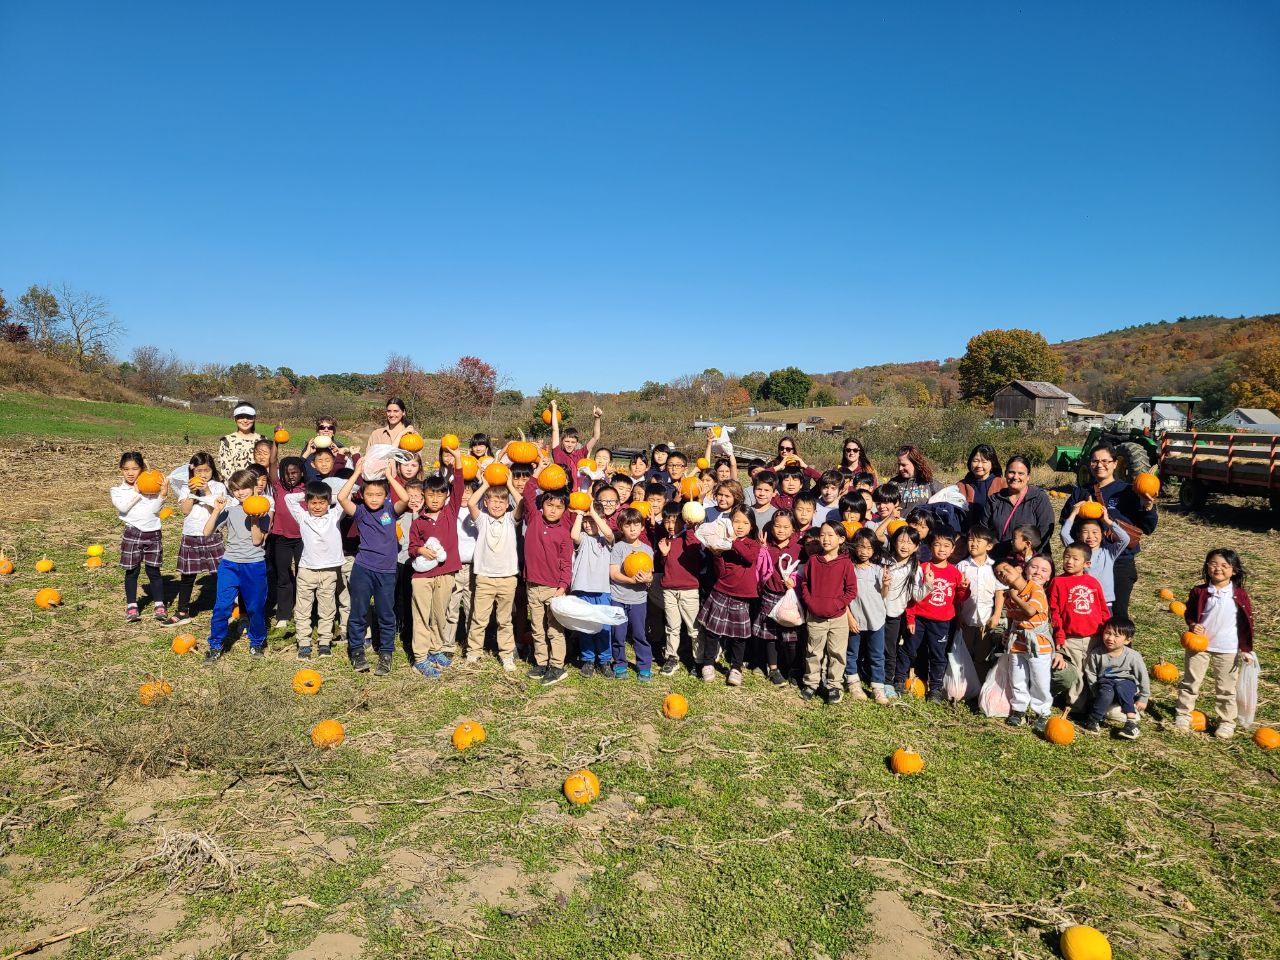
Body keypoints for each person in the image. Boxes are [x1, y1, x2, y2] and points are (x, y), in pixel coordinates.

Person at [1059, 443, 1158, 620]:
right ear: (1090, 464)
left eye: (1105, 461)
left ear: (1114, 464)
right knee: (1087, 611)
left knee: (1117, 614)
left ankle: (1120, 647)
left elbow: (1148, 527)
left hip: (1119, 561)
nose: (1100, 465)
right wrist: (1077, 515)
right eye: (1095, 461)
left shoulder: (1128, 491)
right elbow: (1065, 522)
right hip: (1089, 563)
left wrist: (1148, 507)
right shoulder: (1081, 492)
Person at [1175, 548, 1255, 739]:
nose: (1218, 569)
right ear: (1207, 567)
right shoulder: (1200, 591)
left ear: (1234, 570)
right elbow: (1190, 613)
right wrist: (1193, 625)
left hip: (1228, 648)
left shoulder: (1239, 594)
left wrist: (1246, 649)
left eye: (1224, 565)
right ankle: (1183, 715)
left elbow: (1246, 622)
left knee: (1226, 688)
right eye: (1213, 564)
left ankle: (1227, 723)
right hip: (1199, 645)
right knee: (1191, 682)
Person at [337, 466, 409, 675]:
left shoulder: (390, 511)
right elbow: (342, 497)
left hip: (386, 571)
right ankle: (357, 650)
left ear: (386, 496)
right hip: (363, 569)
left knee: (386, 613)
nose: (374, 498)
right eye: (369, 494)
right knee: (358, 612)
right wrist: (357, 473)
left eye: (379, 494)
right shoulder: (360, 512)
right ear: (363, 495)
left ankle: (386, 653)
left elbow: (404, 498)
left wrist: (389, 477)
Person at [407, 453, 466, 679]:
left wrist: (458, 460)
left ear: (446, 496)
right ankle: (420, 658)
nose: (434, 499)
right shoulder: (419, 521)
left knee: (440, 614)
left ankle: (436, 649)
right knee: (422, 615)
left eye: (439, 494)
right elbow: (412, 546)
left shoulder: (450, 513)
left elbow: (459, 485)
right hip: (422, 577)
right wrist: (420, 550)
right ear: (424, 495)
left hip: (446, 572)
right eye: (430, 494)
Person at [203, 468, 271, 662]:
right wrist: (216, 510)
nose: (240, 493)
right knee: (222, 606)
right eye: (236, 490)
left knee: (255, 607)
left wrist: (255, 519)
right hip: (230, 564)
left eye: (244, 488)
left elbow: (258, 541)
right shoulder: (230, 511)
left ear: (253, 488)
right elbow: (207, 532)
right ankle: (216, 645)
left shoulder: (263, 511)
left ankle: (256, 642)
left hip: (254, 565)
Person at [465, 471, 525, 669]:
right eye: (493, 501)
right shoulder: (482, 519)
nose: (497, 505)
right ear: (486, 503)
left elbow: (522, 503)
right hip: (485, 577)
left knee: (505, 619)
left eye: (501, 501)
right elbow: (471, 503)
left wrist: (509, 485)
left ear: (507, 504)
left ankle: (506, 654)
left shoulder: (510, 519)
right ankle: (474, 651)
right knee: (479, 617)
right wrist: (485, 484)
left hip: (508, 578)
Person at [697, 504, 762, 687]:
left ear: (752, 526)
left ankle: (736, 667)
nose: (740, 526)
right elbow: (720, 571)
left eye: (745, 522)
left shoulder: (751, 544)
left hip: (741, 596)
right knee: (712, 631)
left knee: (738, 636)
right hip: (721, 591)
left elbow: (749, 557)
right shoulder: (723, 543)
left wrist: (734, 541)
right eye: (736, 522)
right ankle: (708, 663)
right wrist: (717, 555)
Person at [282, 480, 346, 657]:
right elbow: (288, 499)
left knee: (327, 607)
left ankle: (325, 640)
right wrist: (309, 493)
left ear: (328, 503)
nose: (317, 506)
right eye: (313, 502)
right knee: (303, 608)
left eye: (322, 502)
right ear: (307, 503)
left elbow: (343, 498)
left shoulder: (334, 516)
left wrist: (327, 496)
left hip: (329, 571)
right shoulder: (303, 517)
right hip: (307, 570)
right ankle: (304, 641)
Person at [798, 521, 859, 703]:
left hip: (838, 617)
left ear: (841, 539)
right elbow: (805, 585)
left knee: (837, 653)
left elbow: (851, 591)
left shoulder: (846, 564)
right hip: (815, 616)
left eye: (830, 535)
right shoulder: (813, 561)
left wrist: (837, 605)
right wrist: (811, 603)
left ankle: (834, 685)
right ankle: (811, 683)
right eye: (822, 535)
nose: (825, 539)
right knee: (814, 652)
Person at [522, 475, 574, 686]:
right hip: (532, 585)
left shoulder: (564, 534)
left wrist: (563, 586)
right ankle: (541, 662)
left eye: (558, 507)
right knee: (537, 627)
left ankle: (557, 666)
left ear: (564, 510)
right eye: (549, 505)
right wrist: (538, 474)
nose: (553, 510)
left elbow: (566, 563)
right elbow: (527, 493)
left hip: (553, 589)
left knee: (554, 629)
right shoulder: (534, 519)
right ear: (541, 504)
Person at [1049, 543, 1110, 714]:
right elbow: (1055, 613)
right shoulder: (1058, 582)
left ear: (1087, 563)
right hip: (1071, 638)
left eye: (1075, 558)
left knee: (1092, 671)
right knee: (1077, 673)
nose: (1069, 561)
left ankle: (1097, 705)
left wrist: (1107, 631)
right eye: (1066, 557)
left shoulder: (1093, 583)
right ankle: (1075, 707)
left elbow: (1103, 609)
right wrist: (1060, 637)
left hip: (1095, 636)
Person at [903, 532, 963, 702]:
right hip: (920, 618)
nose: (941, 549)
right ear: (930, 547)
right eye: (937, 545)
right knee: (912, 649)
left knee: (938, 655)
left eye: (946, 546)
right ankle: (904, 680)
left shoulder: (955, 572)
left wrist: (965, 589)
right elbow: (912, 597)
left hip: (942, 621)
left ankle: (935, 688)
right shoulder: (922, 568)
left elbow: (958, 598)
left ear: (952, 550)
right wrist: (911, 618)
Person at [994, 559, 1053, 732]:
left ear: (1019, 569)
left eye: (1006, 568)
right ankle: (1019, 709)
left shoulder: (1035, 589)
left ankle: (1042, 712)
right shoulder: (1008, 596)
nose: (1003, 573)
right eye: (999, 573)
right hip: (1017, 643)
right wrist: (1008, 631)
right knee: (1017, 678)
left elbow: (1030, 611)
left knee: (1039, 679)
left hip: (1037, 644)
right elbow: (1013, 617)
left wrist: (1014, 597)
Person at [168, 452, 226, 625]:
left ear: (212, 470)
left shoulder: (218, 487)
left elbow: (216, 509)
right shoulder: (187, 487)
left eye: (206, 470)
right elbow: (185, 511)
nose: (203, 475)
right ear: (192, 471)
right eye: (199, 471)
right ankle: (183, 610)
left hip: (211, 534)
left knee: (220, 574)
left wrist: (206, 491)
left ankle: (227, 606)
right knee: (187, 575)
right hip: (191, 533)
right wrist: (192, 493)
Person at [112, 452, 170, 623]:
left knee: (154, 570)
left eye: (135, 469)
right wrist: (136, 491)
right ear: (121, 470)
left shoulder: (152, 488)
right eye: (126, 469)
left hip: (153, 533)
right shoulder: (118, 490)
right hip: (133, 532)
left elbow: (155, 510)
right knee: (132, 571)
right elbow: (123, 507)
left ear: (142, 469)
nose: (130, 473)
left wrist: (163, 494)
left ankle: (159, 604)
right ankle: (132, 605)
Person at [568, 494, 616, 677]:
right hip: (582, 588)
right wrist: (580, 514)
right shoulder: (583, 537)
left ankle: (604, 660)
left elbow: (609, 532)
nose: (588, 525)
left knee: (603, 627)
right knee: (586, 626)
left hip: (602, 589)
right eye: (585, 521)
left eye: (591, 521)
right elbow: (573, 535)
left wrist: (593, 513)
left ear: (601, 519)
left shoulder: (607, 540)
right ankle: (588, 659)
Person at [754, 510, 803, 686]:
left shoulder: (798, 549)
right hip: (770, 595)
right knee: (770, 636)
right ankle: (773, 669)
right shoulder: (767, 547)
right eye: (777, 526)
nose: (781, 530)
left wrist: (794, 583)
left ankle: (792, 669)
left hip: (789, 598)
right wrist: (762, 549)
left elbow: (802, 573)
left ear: (793, 530)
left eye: (785, 527)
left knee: (791, 638)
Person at [1081, 617, 1149, 740]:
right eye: (1107, 633)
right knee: (1106, 691)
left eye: (1116, 636)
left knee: (1121, 686)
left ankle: (1131, 722)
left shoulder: (1133, 656)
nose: (1110, 638)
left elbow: (1143, 676)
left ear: (1127, 640)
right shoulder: (1097, 653)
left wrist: (1144, 698)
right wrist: (1095, 690)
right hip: (1105, 683)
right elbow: (1090, 672)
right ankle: (1094, 720)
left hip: (1126, 683)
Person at [657, 502, 703, 676]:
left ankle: (698, 660)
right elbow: (666, 565)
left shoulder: (690, 539)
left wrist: (690, 528)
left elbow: (695, 554)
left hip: (689, 590)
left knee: (693, 628)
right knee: (672, 626)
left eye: (674, 521)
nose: (670, 525)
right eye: (667, 521)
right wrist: (663, 555)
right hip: (669, 589)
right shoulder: (665, 541)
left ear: (683, 521)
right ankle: (672, 657)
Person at [609, 507, 655, 681]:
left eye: (636, 524)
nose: (633, 529)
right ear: (621, 528)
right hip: (618, 598)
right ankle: (620, 663)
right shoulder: (619, 548)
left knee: (639, 634)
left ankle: (644, 666)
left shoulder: (647, 550)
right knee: (618, 634)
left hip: (638, 600)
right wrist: (632, 581)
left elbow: (649, 575)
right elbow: (613, 574)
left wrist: (648, 578)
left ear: (642, 527)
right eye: (628, 525)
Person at [982, 456, 1055, 562]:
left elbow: (1045, 530)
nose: (1015, 477)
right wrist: (997, 549)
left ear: (1028, 476)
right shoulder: (995, 499)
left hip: (1031, 560)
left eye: (1021, 473)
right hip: (999, 560)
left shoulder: (1038, 498)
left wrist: (1027, 553)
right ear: (1005, 474)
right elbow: (984, 529)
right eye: (1011, 472)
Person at [955, 524, 1005, 678]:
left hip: (986, 620)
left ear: (989, 546)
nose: (973, 544)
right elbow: (955, 595)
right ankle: (965, 686)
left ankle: (980, 686)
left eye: (978, 541)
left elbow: (999, 593)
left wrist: (996, 615)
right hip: (966, 618)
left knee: (983, 657)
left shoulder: (994, 567)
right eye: (970, 540)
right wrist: (958, 615)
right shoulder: (961, 566)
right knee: (964, 655)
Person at [846, 528, 889, 704]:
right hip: (855, 619)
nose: (864, 552)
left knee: (877, 655)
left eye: (869, 548)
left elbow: (884, 594)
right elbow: (844, 596)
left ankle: (877, 687)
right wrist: (849, 617)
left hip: (876, 619)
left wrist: (886, 584)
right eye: (861, 547)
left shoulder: (878, 569)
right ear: (854, 546)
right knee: (851, 653)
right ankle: (853, 683)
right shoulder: (849, 568)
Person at [883, 525, 926, 697]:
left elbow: (917, 595)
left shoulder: (915, 568)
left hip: (894, 614)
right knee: (872, 646)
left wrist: (928, 584)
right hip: (876, 610)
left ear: (916, 547)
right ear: (893, 542)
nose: (904, 545)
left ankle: (887, 681)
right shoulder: (884, 561)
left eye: (909, 543)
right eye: (901, 540)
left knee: (890, 648)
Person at [1060, 502, 1130, 606]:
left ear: (1102, 534)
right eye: (1085, 532)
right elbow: (1064, 533)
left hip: (1105, 600)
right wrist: (1074, 513)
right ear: (1079, 535)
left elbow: (1125, 539)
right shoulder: (1077, 551)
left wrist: (1107, 521)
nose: (1090, 536)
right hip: (1084, 598)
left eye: (1095, 532)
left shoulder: (1109, 552)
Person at [549, 399, 603, 475]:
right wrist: (554, 409)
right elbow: (555, 429)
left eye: (573, 442)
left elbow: (595, 437)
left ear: (576, 443)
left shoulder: (581, 453)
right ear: (562, 441)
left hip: (578, 487)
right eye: (567, 441)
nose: (570, 444)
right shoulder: (558, 453)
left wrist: (597, 419)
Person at [956, 445, 1006, 523]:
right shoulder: (961, 486)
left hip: (994, 533)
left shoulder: (1003, 484)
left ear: (992, 464)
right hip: (968, 533)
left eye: (984, 461)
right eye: (975, 461)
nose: (979, 465)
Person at [216, 403, 264, 479]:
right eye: (241, 417)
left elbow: (269, 466)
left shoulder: (262, 440)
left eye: (249, 417)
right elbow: (226, 471)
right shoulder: (227, 441)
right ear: (235, 418)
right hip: (236, 488)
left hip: (259, 487)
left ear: (254, 418)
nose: (245, 420)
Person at [888, 445, 943, 510]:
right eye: (899, 464)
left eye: (903, 465)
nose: (900, 468)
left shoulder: (932, 485)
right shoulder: (893, 484)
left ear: (915, 463)